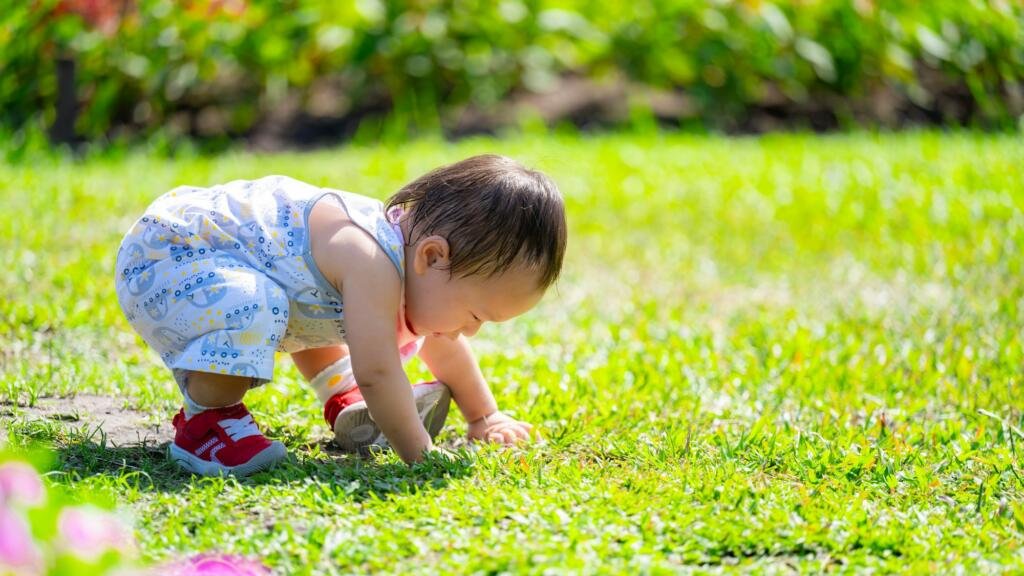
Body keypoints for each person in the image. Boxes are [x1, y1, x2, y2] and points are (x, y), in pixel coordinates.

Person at [113, 155, 567, 476]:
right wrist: (421, 455)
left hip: (228, 261)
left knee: (309, 294)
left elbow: (444, 341)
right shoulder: (370, 260)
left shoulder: (411, 261)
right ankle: (205, 422)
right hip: (172, 256)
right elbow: (378, 370)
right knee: (259, 304)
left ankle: (342, 397)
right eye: (475, 315)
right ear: (432, 257)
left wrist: (484, 417)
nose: (470, 329)